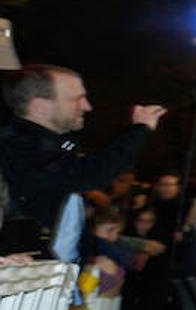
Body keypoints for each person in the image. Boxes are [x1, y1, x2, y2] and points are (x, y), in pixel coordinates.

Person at [0, 65, 165, 263]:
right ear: (40, 106)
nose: (87, 106)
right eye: (76, 99)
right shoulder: (18, 148)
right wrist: (140, 129)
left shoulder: (54, 148)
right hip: (27, 282)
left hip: (55, 278)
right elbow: (89, 175)